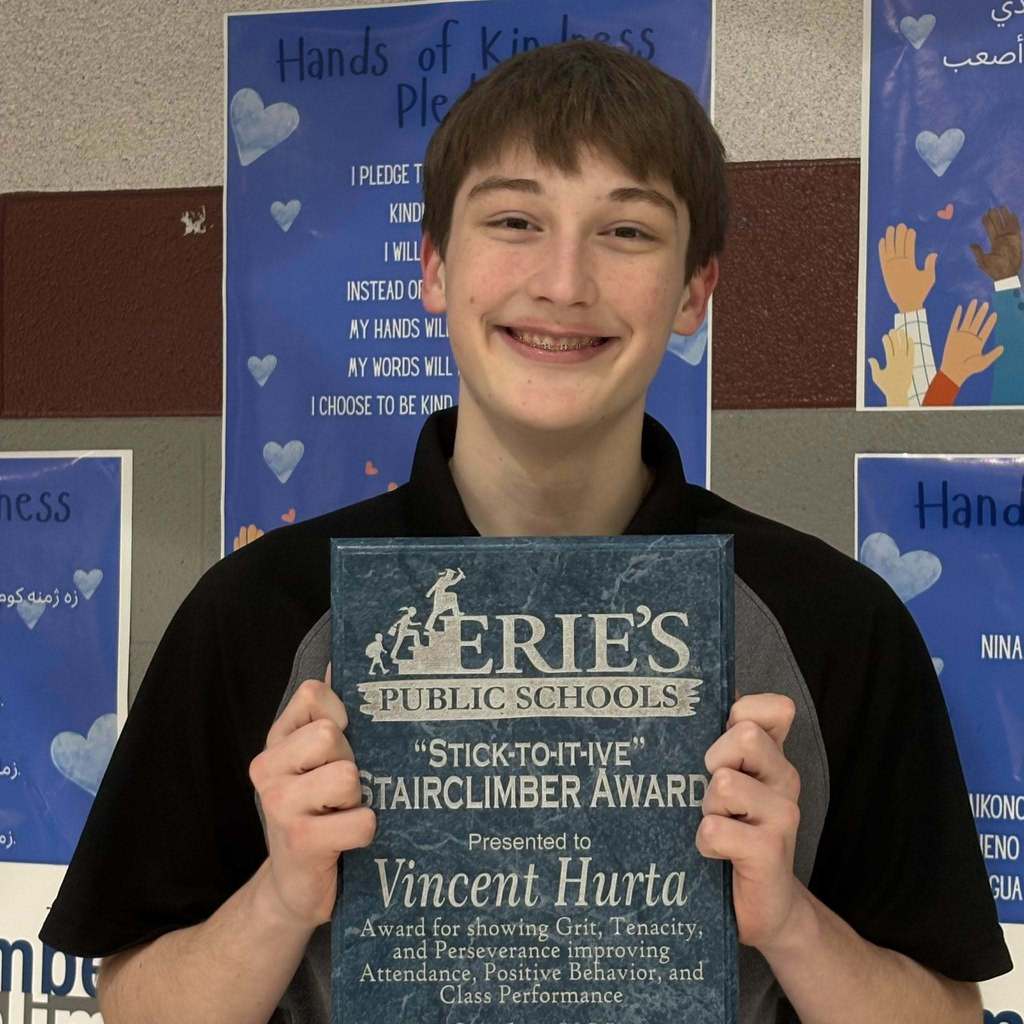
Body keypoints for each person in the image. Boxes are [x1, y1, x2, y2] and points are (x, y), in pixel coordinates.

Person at [40, 39, 1010, 1024]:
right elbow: (133, 1002)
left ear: (693, 291)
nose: (563, 280)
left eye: (626, 231)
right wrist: (282, 898)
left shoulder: (835, 621)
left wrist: (790, 923)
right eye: (514, 220)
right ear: (433, 266)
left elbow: (948, 1014)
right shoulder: (257, 609)